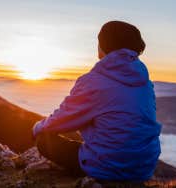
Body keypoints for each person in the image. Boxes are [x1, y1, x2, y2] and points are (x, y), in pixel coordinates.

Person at [32, 20, 162, 181]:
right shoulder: (145, 83)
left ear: (104, 45)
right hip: (144, 169)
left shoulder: (93, 81)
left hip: (109, 169)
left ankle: (86, 173)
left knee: (44, 140)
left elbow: (63, 119)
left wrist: (37, 127)